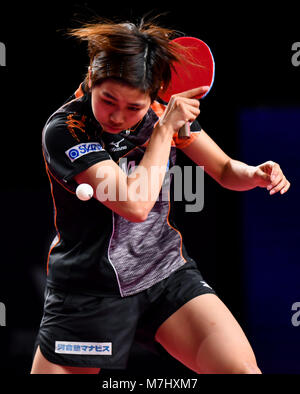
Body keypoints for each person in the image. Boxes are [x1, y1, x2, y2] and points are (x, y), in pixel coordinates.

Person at [31, 18, 290, 375]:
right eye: (108, 100)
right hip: (89, 290)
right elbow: (134, 205)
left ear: (153, 96)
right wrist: (165, 130)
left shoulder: (160, 111)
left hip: (162, 272)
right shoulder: (65, 130)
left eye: (134, 107)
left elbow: (226, 170)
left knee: (242, 371)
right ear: (91, 78)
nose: (118, 115)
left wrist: (255, 174)